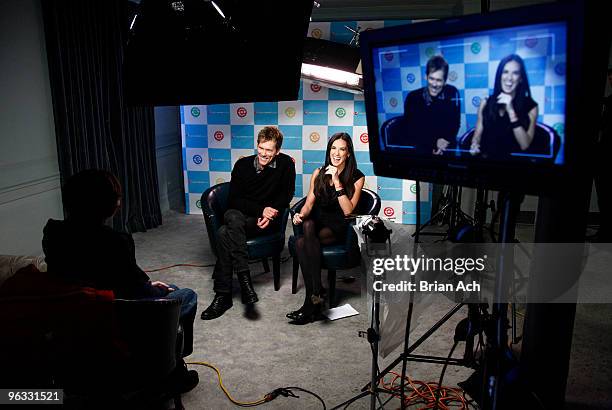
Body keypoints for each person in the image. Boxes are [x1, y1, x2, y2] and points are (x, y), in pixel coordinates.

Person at [42, 169, 199, 393]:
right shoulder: (116, 241)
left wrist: (147, 285)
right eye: (116, 197)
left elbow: (119, 280)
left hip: (76, 313)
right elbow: (134, 293)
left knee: (168, 288)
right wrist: (150, 289)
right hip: (118, 316)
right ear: (108, 205)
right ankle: (170, 367)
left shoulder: (53, 232)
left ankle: (169, 362)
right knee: (185, 295)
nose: (119, 202)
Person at [201, 126, 296, 320]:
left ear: (277, 151)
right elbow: (234, 200)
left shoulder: (286, 164)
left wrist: (269, 215)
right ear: (257, 145)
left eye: (269, 150)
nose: (263, 153)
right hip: (242, 214)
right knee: (232, 217)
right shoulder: (242, 165)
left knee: (223, 234)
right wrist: (261, 209)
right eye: (261, 148)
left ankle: (223, 295)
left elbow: (286, 195)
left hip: (260, 221)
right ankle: (245, 282)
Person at [287, 133, 365, 325]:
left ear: (348, 153)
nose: (336, 153)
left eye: (342, 149)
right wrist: (301, 214)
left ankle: (312, 300)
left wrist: (337, 181)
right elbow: (309, 204)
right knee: (306, 227)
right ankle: (315, 296)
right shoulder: (318, 172)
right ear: (329, 151)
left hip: (338, 226)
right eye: (333, 148)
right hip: (317, 223)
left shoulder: (357, 177)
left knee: (301, 241)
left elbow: (348, 211)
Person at [470, 54, 538, 159]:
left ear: (521, 78)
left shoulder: (531, 106)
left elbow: (525, 145)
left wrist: (510, 110)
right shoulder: (486, 102)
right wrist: (474, 144)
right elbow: (477, 134)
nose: (509, 78)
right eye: (505, 72)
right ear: (499, 76)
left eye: (515, 73)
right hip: (486, 163)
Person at [399, 55, 461, 155]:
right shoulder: (413, 97)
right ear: (426, 76)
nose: (434, 84)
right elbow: (410, 129)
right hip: (421, 148)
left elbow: (455, 124)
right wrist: (433, 142)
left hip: (446, 148)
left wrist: (445, 141)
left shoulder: (452, 92)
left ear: (445, 81)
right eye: (431, 79)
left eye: (439, 80)